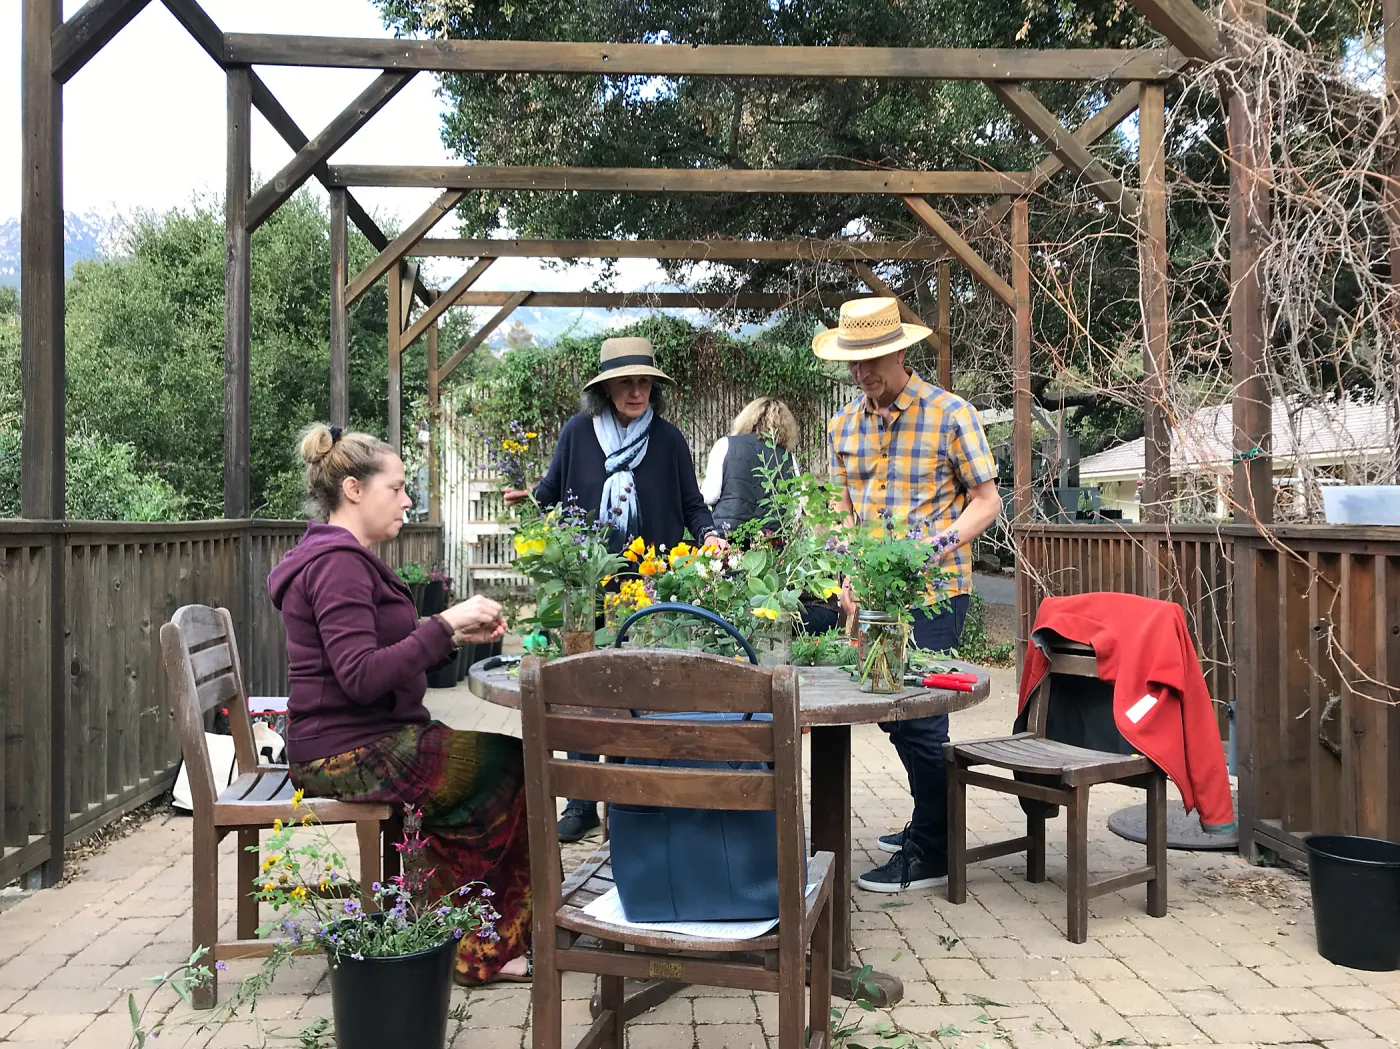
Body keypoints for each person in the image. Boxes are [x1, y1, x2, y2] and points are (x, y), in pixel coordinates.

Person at [269, 424, 532, 986]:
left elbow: (376, 651)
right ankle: (474, 946)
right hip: (346, 752)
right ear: (354, 490)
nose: (408, 500)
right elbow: (361, 677)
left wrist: (453, 637)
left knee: (504, 766)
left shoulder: (344, 557)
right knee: (508, 770)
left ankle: (464, 931)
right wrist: (441, 623)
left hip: (365, 738)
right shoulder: (338, 564)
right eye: (398, 487)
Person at [503, 336, 729, 843]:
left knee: (643, 690)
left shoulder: (669, 440)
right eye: (625, 382)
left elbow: (692, 503)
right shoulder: (577, 434)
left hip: (653, 586)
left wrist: (711, 535)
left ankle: (630, 801)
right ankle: (582, 801)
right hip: (588, 587)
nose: (636, 391)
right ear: (605, 390)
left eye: (644, 381)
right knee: (584, 691)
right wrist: (526, 501)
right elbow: (551, 494)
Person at [816, 298, 1003, 894]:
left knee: (921, 720)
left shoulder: (951, 414)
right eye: (854, 361)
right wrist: (847, 582)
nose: (863, 371)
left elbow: (987, 501)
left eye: (872, 358)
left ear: (901, 350)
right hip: (872, 596)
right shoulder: (842, 426)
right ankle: (931, 818)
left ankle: (934, 847)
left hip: (936, 591)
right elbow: (844, 515)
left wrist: (938, 544)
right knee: (891, 716)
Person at [700, 396, 800, 536]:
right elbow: (795, 510)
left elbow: (709, 496)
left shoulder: (725, 445)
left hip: (727, 540)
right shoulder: (788, 458)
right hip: (771, 543)